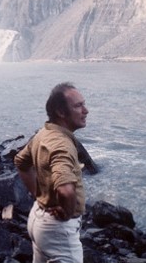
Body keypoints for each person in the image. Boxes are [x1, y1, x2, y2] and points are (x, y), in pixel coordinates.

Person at [14, 82, 89, 263]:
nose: (86, 110)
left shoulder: (44, 133)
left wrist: (37, 194)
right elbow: (66, 190)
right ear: (61, 112)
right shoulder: (62, 145)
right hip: (58, 232)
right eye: (78, 106)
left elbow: (20, 162)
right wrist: (67, 212)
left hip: (39, 220)